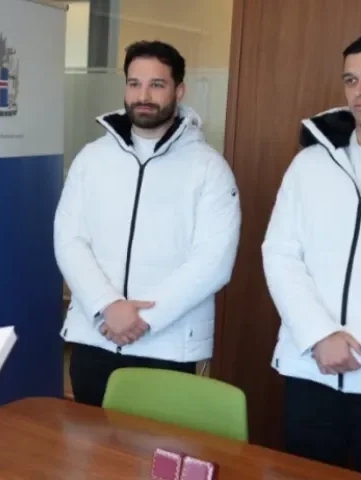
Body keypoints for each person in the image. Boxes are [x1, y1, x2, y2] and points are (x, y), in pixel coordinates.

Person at [54, 40, 241, 407]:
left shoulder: (208, 168)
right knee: (88, 441)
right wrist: (107, 305)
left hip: (168, 345)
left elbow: (213, 261)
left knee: (157, 444)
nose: (143, 96)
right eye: (134, 83)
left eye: (157, 84)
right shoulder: (91, 159)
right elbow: (69, 240)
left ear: (179, 90)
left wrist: (143, 319)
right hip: (96, 335)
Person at [262, 31, 361, 479]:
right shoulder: (310, 164)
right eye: (351, 79)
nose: (360, 90)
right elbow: (280, 253)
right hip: (309, 369)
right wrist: (320, 335)